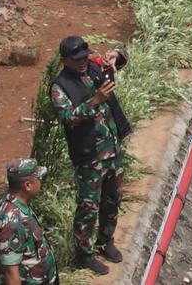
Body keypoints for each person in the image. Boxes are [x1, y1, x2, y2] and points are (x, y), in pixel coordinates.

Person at [50, 36, 132, 276]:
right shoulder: (60, 87)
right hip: (90, 157)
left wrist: (116, 56)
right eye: (77, 59)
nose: (83, 62)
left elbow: (120, 57)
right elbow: (68, 118)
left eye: (85, 56)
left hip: (112, 151)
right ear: (65, 60)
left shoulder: (93, 66)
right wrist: (94, 101)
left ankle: (105, 241)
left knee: (112, 199)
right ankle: (84, 255)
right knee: (88, 207)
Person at [0, 158, 58, 285]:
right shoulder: (11, 221)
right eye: (38, 178)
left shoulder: (19, 205)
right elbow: (11, 275)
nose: (40, 182)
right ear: (28, 185)